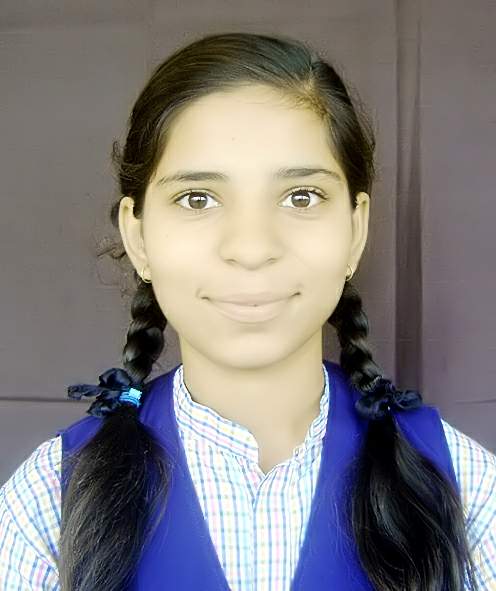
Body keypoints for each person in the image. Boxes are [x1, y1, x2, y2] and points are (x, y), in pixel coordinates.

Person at [0, 31, 495, 591]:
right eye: (197, 199)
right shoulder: (48, 504)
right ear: (137, 237)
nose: (252, 248)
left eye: (301, 196)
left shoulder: (463, 490)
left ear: (356, 230)